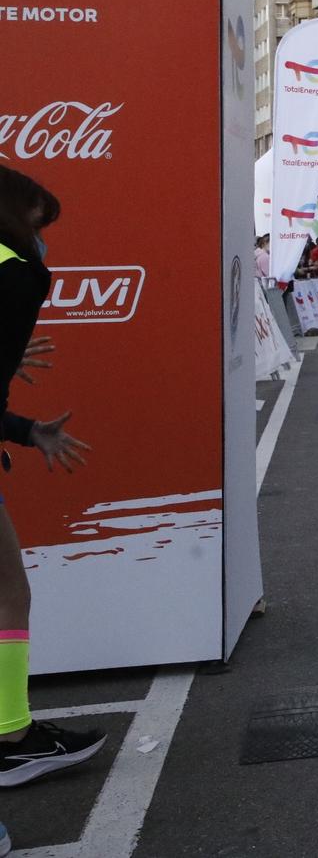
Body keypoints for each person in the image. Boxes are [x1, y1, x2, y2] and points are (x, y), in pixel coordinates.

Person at [0, 166, 108, 815]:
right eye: (40, 224)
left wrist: (24, 427)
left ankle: (12, 729)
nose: (44, 242)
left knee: (9, 589)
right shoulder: (19, 274)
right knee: (11, 590)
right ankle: (11, 734)